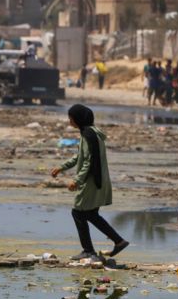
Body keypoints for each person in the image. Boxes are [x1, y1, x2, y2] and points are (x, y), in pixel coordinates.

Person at [51, 105, 129, 261]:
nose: (69, 120)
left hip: (92, 181)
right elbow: (80, 156)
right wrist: (62, 167)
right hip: (99, 179)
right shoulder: (92, 133)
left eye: (71, 117)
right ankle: (119, 241)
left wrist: (77, 180)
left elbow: (88, 161)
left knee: (78, 212)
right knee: (91, 214)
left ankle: (88, 250)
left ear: (78, 119)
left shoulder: (88, 135)